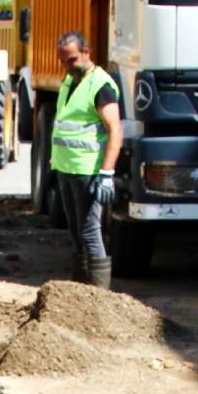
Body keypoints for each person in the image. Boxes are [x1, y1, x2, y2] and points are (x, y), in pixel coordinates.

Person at [50, 31, 123, 289]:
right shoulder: (70, 81)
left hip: (88, 170)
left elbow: (115, 130)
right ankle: (78, 296)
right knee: (75, 231)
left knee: (91, 232)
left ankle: (98, 299)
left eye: (71, 60)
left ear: (86, 51)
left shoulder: (100, 85)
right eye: (63, 61)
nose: (67, 66)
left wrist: (106, 173)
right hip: (66, 168)